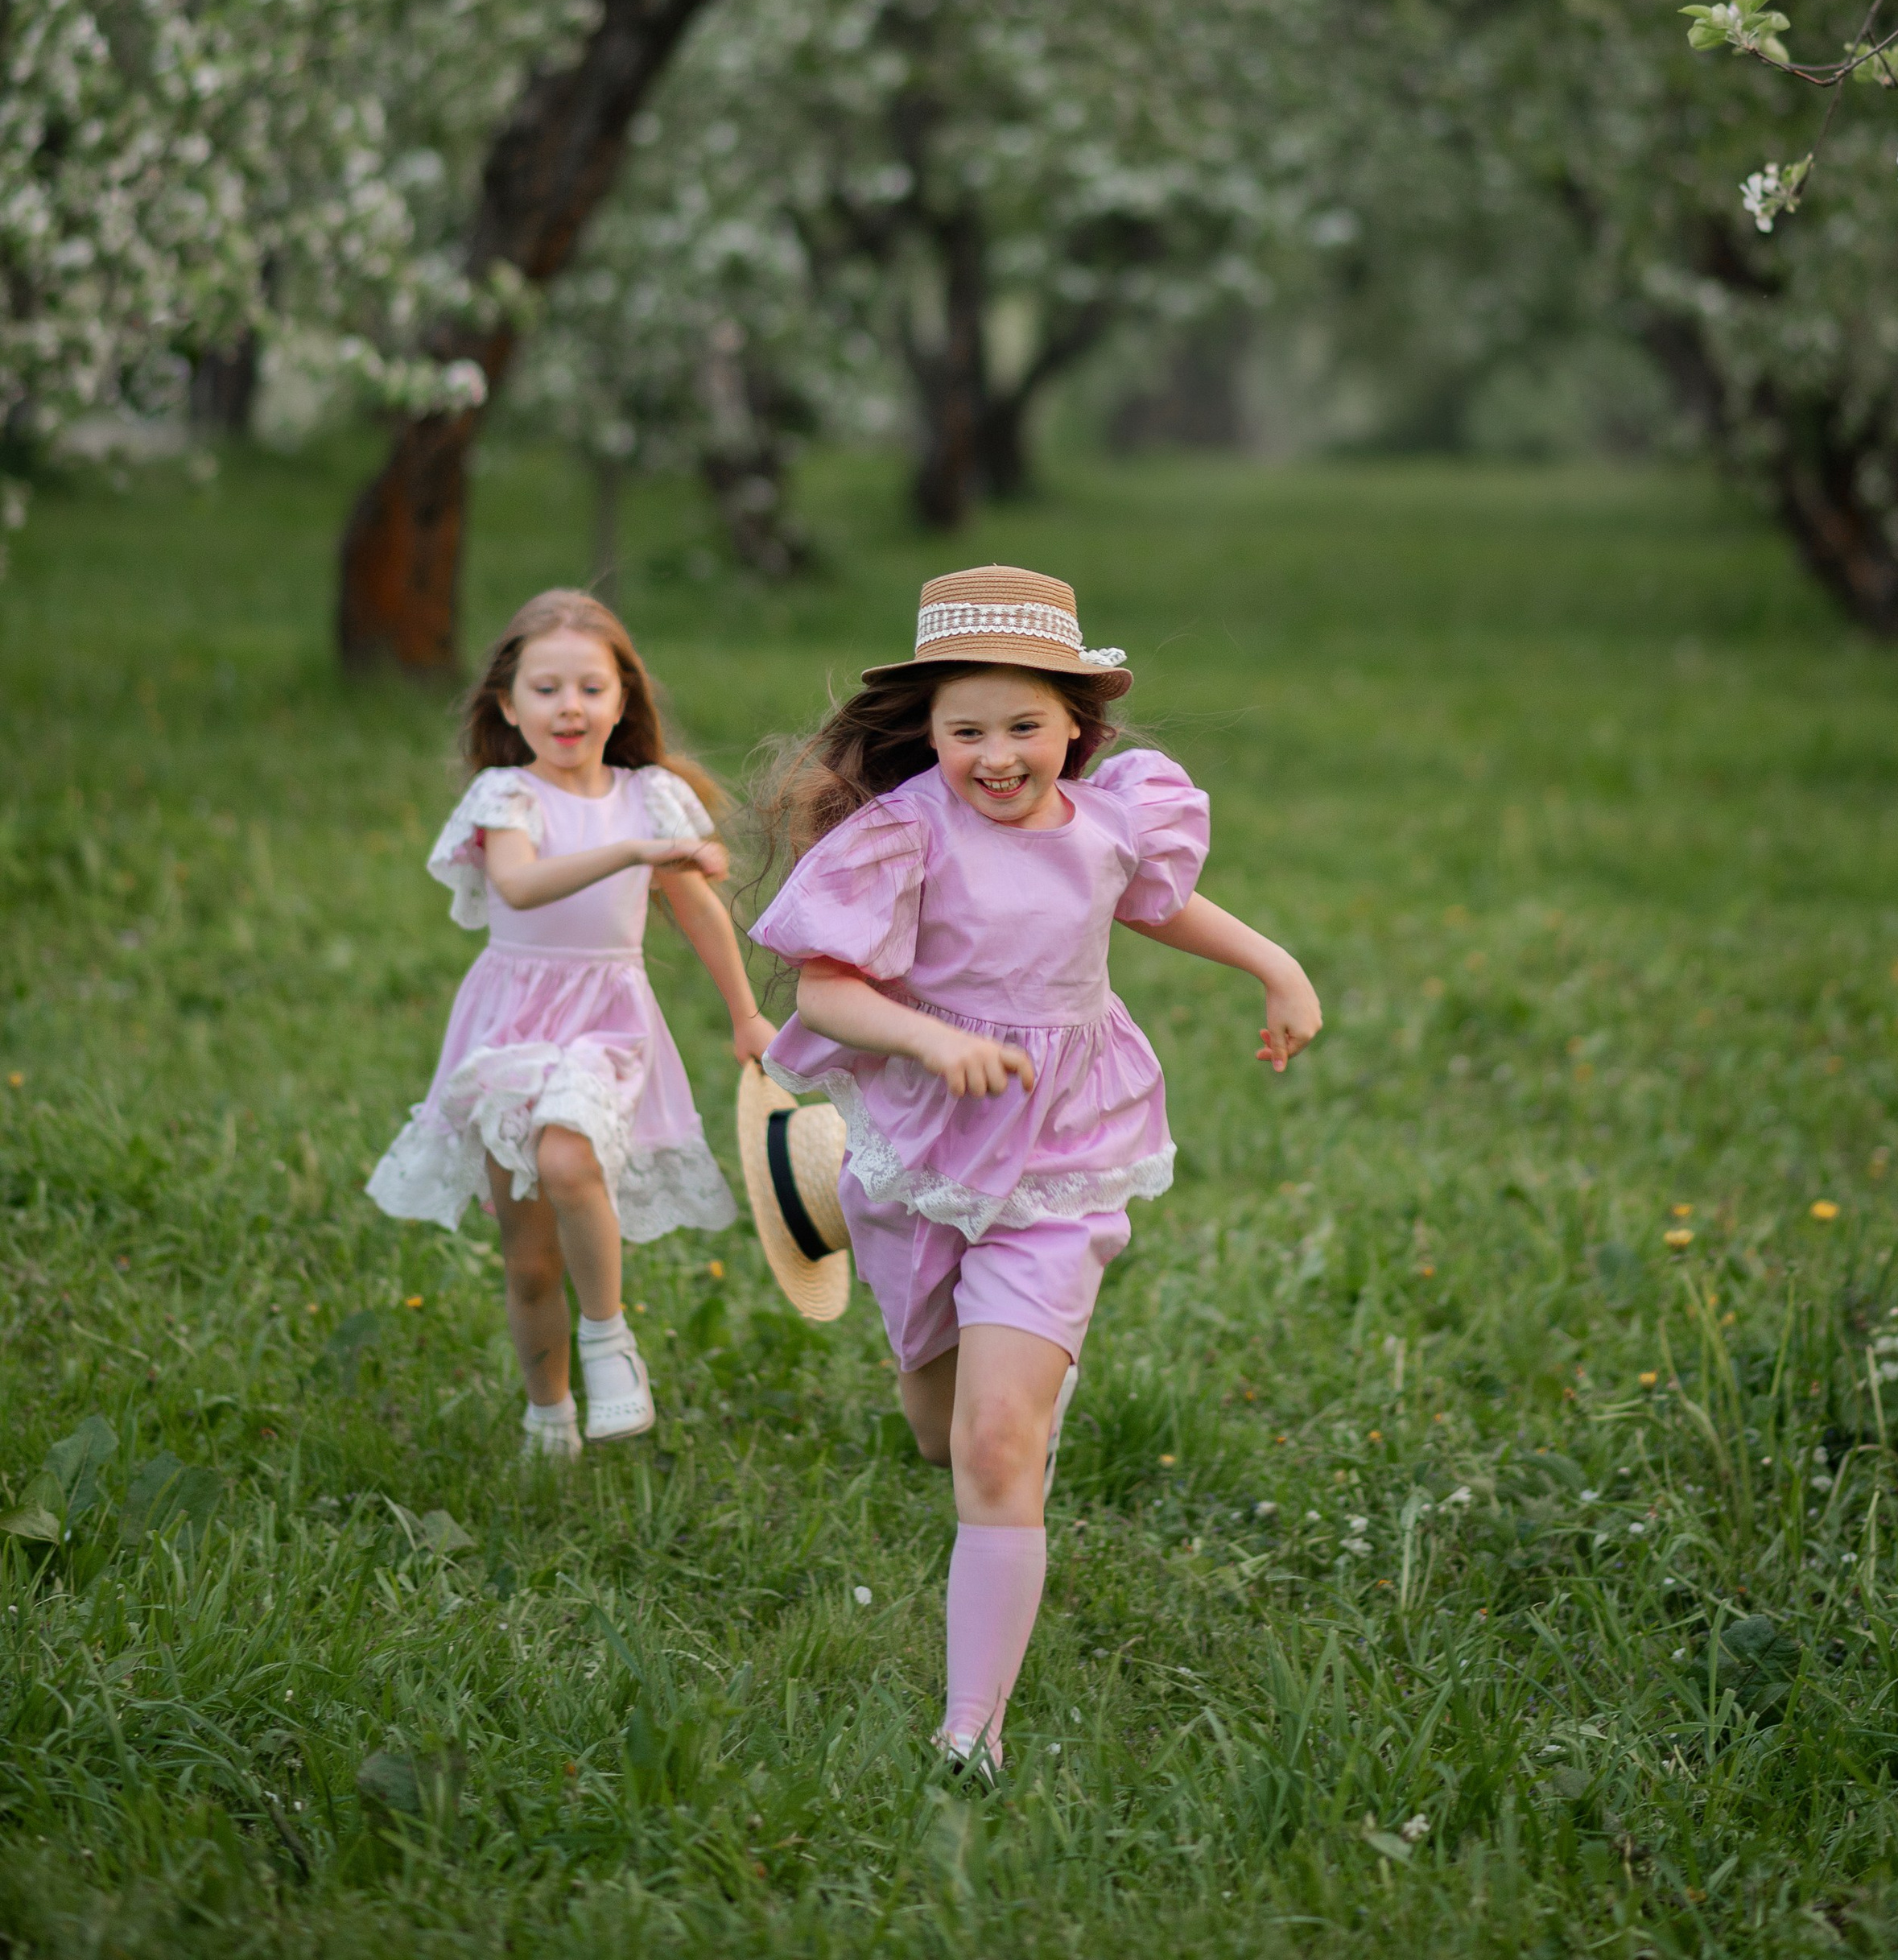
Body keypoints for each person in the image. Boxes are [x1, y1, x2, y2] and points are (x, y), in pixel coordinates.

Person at [750, 560, 1322, 1769]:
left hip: (1063, 1150)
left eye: (1024, 726)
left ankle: (973, 1730)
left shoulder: (1112, 821)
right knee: (934, 1428)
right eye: (967, 730)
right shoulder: (904, 834)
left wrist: (1275, 964)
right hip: (925, 1143)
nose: (997, 755)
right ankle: (828, 1181)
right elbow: (826, 992)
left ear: (1077, 723)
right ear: (929, 730)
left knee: (997, 1446)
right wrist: (930, 1040)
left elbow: (1155, 905)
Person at [367, 588, 775, 1455]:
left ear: (624, 700)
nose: (570, 707)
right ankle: (548, 1415)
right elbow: (517, 885)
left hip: (608, 1020)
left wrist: (745, 1015)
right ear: (508, 706)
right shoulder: (505, 796)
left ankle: (607, 1337)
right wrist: (629, 852)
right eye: (546, 689)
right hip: (511, 1023)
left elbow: (699, 913)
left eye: (591, 688)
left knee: (566, 1154)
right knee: (528, 1258)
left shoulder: (650, 796)